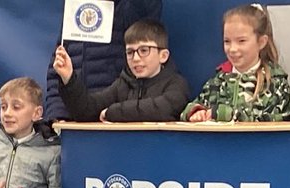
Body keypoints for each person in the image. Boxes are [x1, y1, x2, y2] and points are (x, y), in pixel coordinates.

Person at [44, 0, 163, 121]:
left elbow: (145, 15)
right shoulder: (76, 6)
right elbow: (58, 65)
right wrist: (56, 112)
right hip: (70, 116)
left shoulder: (129, 8)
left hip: (113, 116)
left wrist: (117, 112)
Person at [52, 19, 189, 123]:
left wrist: (112, 112)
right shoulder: (123, 84)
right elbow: (86, 110)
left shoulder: (176, 84)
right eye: (130, 52)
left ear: (163, 56)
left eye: (144, 50)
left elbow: (161, 110)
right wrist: (68, 78)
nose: (135, 58)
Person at [181, 4, 290, 123]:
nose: (233, 49)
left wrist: (226, 114)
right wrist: (196, 112)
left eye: (241, 41)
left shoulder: (275, 83)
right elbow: (192, 107)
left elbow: (285, 118)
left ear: (261, 42)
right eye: (227, 41)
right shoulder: (218, 81)